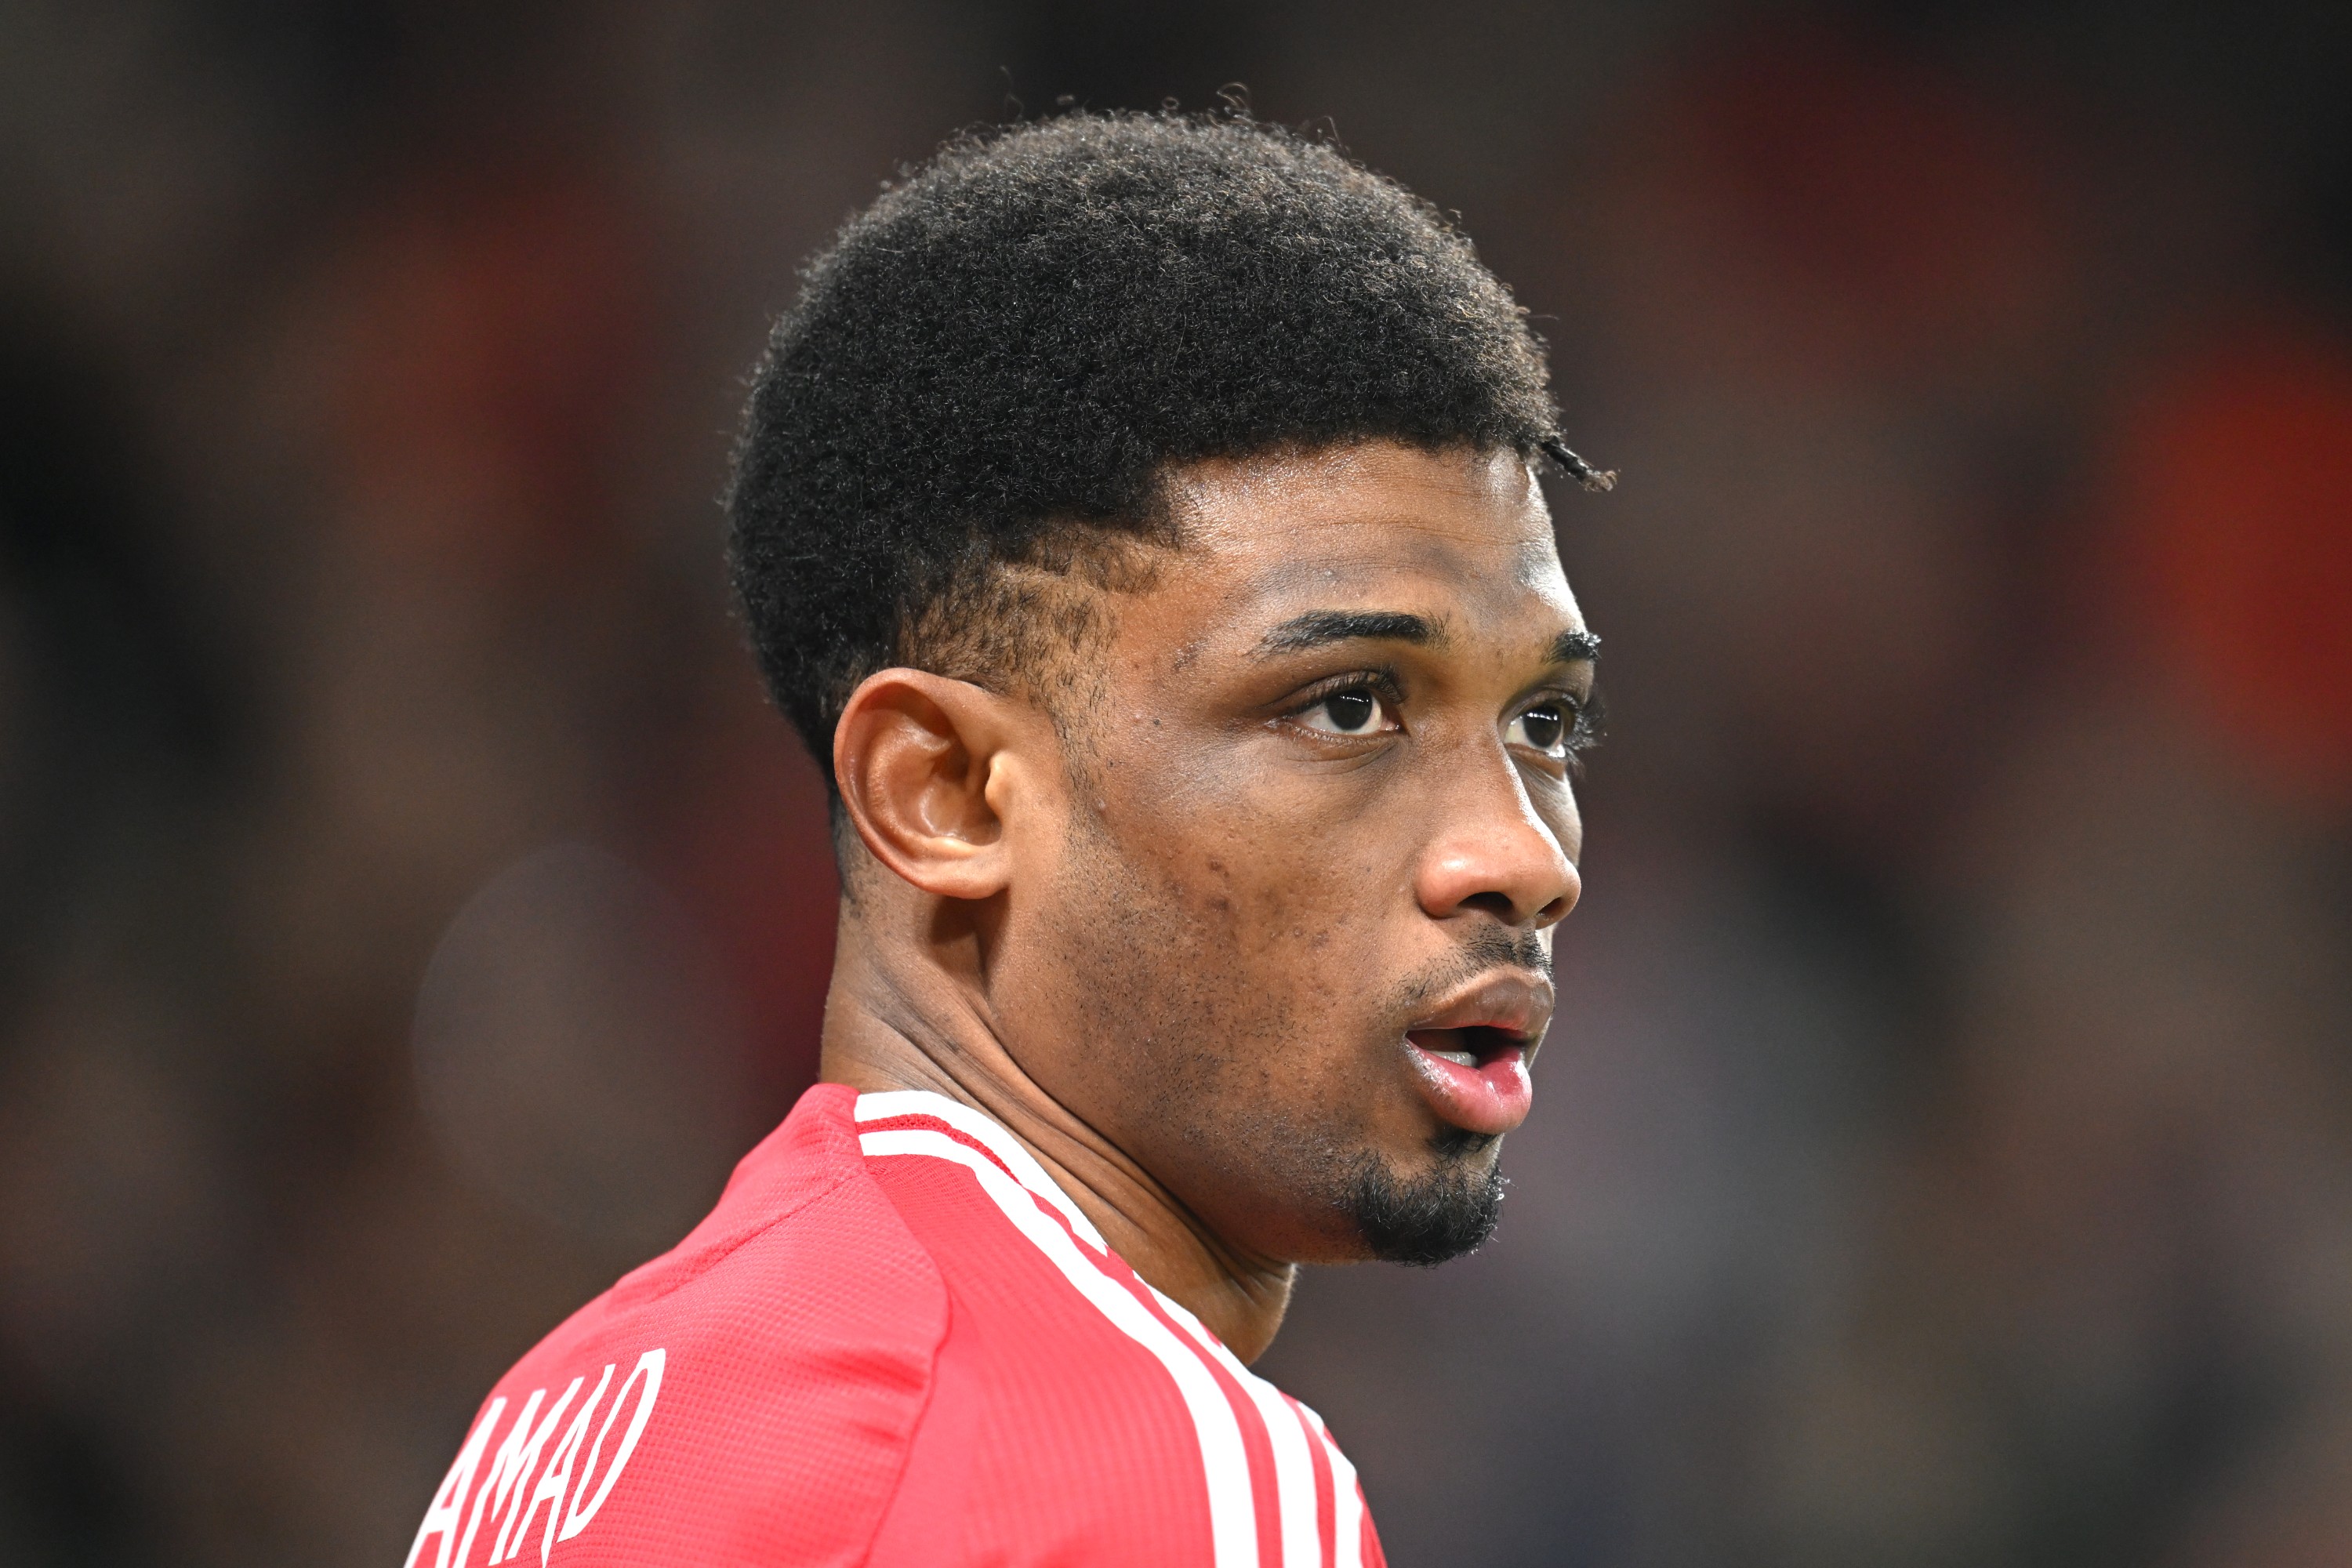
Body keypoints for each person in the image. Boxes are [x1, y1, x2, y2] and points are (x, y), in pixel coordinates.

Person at [403, 110, 1606, 1568]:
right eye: (1346, 706)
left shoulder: (561, 1425)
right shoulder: (1162, 1476)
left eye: (1546, 724)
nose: (1524, 857)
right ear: (948, 795)